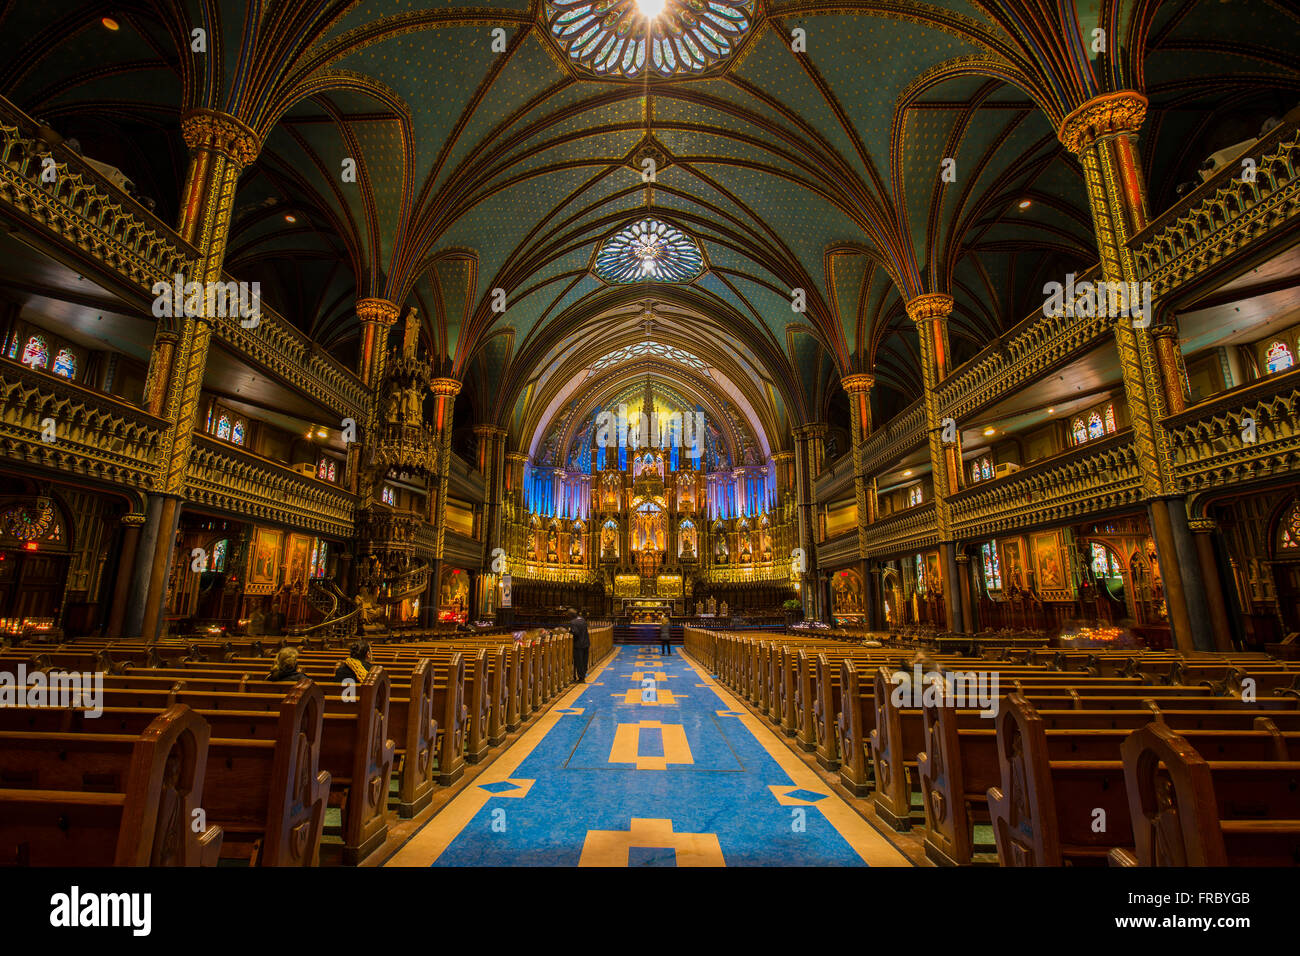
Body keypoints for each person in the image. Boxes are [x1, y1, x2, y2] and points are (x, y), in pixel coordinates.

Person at [569, 607, 590, 682]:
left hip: (578, 644)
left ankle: (581, 678)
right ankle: (583, 675)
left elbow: (576, 633)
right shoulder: (583, 620)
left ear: (571, 615)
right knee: (584, 660)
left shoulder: (573, 622)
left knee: (579, 661)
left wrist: (570, 631)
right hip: (586, 642)